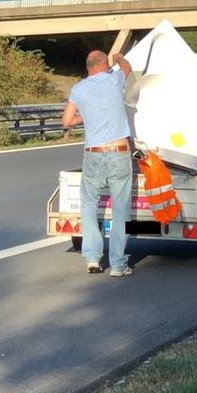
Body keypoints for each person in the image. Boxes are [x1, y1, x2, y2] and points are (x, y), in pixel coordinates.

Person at [61, 50, 135, 277]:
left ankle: (92, 258)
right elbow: (127, 67)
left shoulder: (78, 89)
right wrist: (119, 57)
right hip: (118, 152)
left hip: (93, 154)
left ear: (87, 68)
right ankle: (118, 265)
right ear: (104, 65)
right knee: (120, 209)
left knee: (89, 205)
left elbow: (66, 122)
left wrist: (86, 115)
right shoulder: (114, 79)